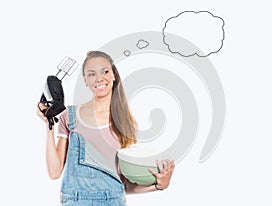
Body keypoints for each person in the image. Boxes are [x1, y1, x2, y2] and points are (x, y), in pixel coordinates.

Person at [37, 51, 175, 205]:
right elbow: (54, 172)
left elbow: (123, 183)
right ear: (85, 81)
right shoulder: (69, 116)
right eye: (91, 74)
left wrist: (158, 185)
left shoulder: (126, 124)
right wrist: (49, 124)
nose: (99, 78)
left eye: (105, 71)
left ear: (114, 75)